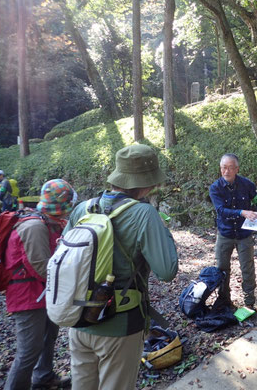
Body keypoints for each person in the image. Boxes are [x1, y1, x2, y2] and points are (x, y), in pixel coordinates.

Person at [65, 144, 178, 390]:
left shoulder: (83, 209)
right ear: (146, 182)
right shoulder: (144, 214)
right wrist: (164, 232)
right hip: (120, 325)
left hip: (78, 320)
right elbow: (167, 271)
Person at [4, 179, 75, 390]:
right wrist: (71, 282)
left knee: (49, 336)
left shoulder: (47, 221)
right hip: (28, 295)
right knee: (28, 351)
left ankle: (43, 377)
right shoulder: (35, 226)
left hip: (43, 293)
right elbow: (41, 267)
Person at [209, 153, 257, 308]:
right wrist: (242, 212)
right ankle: (224, 301)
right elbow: (221, 210)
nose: (226, 171)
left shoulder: (247, 184)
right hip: (225, 234)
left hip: (244, 234)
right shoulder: (215, 188)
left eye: (230, 168)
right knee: (222, 268)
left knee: (247, 268)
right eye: (223, 168)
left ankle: (249, 303)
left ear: (237, 169)